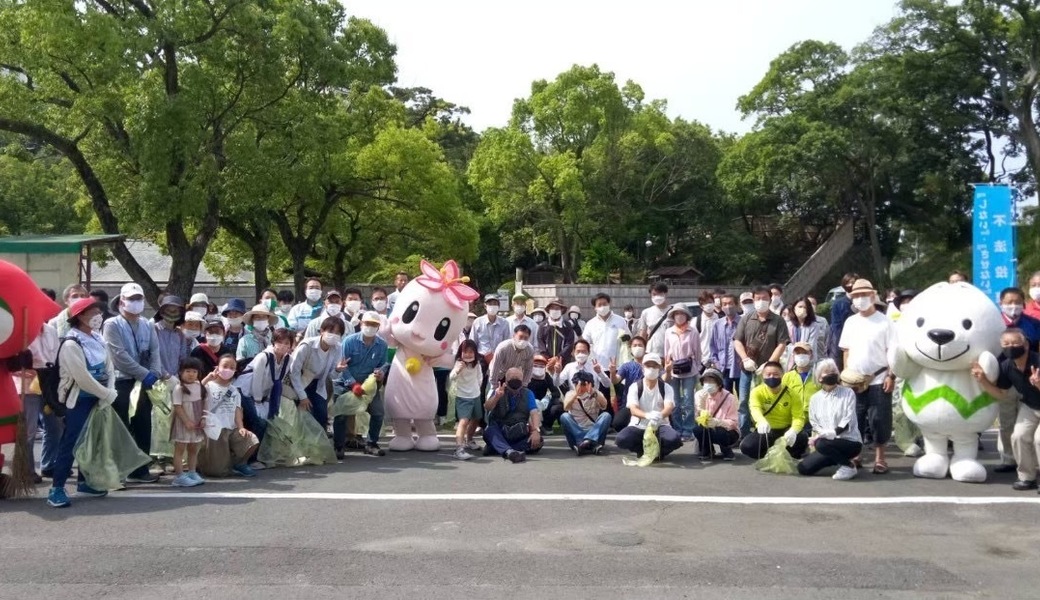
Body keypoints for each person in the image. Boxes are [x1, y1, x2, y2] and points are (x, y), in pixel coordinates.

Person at [47, 298, 118, 508]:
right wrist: (106, 393)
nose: (99, 316)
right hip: (77, 401)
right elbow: (82, 377)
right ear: (79, 317)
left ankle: (85, 481)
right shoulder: (71, 343)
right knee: (71, 443)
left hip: (98, 398)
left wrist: (109, 390)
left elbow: (109, 367)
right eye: (93, 312)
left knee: (93, 442)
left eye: (99, 311)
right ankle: (56, 488)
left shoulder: (97, 338)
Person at [102, 282, 163, 484]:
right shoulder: (112, 325)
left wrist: (153, 372)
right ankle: (119, 470)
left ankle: (140, 469)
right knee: (122, 427)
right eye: (131, 299)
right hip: (122, 382)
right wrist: (144, 373)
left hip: (144, 383)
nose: (136, 303)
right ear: (122, 301)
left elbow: (155, 351)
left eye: (139, 299)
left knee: (144, 424)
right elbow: (118, 355)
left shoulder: (148, 324)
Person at [839, 278, 896, 474]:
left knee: (880, 419)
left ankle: (881, 458)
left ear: (873, 296)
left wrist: (891, 376)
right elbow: (845, 350)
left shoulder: (885, 321)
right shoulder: (851, 322)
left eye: (863, 295)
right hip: (854, 379)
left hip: (878, 377)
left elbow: (892, 352)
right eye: (855, 296)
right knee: (855, 418)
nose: (860, 299)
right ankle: (856, 455)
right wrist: (845, 374)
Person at [972, 328, 1040, 490]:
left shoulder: (1037, 362)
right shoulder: (1006, 366)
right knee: (1018, 436)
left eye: (1016, 343)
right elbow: (1001, 394)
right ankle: (1027, 477)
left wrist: (1038, 384)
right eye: (1006, 344)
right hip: (1030, 406)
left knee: (1039, 440)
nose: (1011, 346)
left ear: (1026, 344)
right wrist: (983, 380)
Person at [732, 286, 791, 437]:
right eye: (757, 299)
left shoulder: (778, 320)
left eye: (764, 298)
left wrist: (770, 363)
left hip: (769, 371)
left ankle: (770, 432)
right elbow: (737, 341)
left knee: (769, 400)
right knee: (744, 401)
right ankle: (744, 434)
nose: (761, 301)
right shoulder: (746, 318)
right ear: (753, 300)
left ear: (770, 299)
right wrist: (745, 359)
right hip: (748, 368)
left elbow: (782, 343)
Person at [334, 312, 388, 458]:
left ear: (378, 327)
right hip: (345, 384)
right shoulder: (349, 341)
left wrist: (380, 373)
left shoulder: (382, 345)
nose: (370, 327)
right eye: (367, 324)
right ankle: (338, 446)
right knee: (340, 414)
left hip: (368, 386)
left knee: (378, 413)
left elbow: (383, 365)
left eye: (374, 325)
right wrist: (352, 384)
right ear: (361, 324)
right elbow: (343, 366)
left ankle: (371, 443)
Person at [798, 360, 862, 480]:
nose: (831, 374)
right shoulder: (815, 398)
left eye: (833, 371)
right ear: (819, 378)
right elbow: (814, 421)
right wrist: (822, 433)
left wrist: (833, 433)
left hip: (849, 441)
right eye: (826, 372)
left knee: (821, 444)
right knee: (804, 468)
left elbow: (848, 420)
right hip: (826, 444)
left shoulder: (848, 393)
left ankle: (849, 466)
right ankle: (837, 459)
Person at [200, 355, 260, 477]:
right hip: (214, 430)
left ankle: (240, 463)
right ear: (217, 367)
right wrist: (207, 378)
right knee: (217, 472)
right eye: (225, 366)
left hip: (230, 428)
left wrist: (241, 427)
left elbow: (237, 410)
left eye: (232, 367)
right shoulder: (208, 386)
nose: (228, 369)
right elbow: (195, 392)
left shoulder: (234, 390)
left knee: (252, 440)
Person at [16, 321, 60, 482]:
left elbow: (55, 357)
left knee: (55, 426)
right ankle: (26, 470)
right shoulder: (20, 330)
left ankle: (48, 464)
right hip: (27, 386)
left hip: (48, 383)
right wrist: (18, 369)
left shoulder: (50, 330)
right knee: (29, 430)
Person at [615, 353, 682, 460]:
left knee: (674, 439)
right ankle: (641, 450)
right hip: (639, 426)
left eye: (654, 366)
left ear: (660, 368)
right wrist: (647, 415)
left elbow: (669, 407)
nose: (651, 368)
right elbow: (633, 410)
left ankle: (659, 452)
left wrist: (660, 415)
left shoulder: (666, 387)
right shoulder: (635, 387)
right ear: (642, 368)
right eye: (648, 365)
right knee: (621, 439)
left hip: (661, 425)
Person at [286, 317, 347, 433]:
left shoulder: (337, 348)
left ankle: (317, 447)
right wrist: (302, 396)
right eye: (330, 331)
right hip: (299, 382)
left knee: (321, 415)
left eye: (338, 333)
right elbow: (293, 372)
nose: (333, 335)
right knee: (301, 416)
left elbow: (333, 376)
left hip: (318, 384)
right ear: (322, 331)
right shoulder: (306, 346)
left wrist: (338, 370)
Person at [739, 361, 809, 460]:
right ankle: (769, 456)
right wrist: (761, 421)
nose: (772, 377)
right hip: (767, 429)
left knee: (802, 438)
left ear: (782, 375)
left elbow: (798, 417)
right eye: (768, 374)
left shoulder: (792, 394)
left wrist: (793, 430)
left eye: (776, 374)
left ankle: (790, 455)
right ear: (763, 376)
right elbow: (755, 409)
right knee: (747, 446)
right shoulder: (757, 392)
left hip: (786, 430)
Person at [241, 327, 293, 443]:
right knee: (259, 422)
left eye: (287, 343)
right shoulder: (263, 357)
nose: (283, 345)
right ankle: (254, 455)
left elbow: (278, 381)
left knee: (270, 421)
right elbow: (257, 381)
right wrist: (258, 402)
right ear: (274, 342)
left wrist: (268, 401)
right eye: (279, 342)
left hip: (264, 395)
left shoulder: (288, 360)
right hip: (246, 392)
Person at [482, 367, 543, 463]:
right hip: (500, 430)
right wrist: (496, 397)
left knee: (538, 441)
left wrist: (535, 430)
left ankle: (497, 447)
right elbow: (487, 407)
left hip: (518, 432)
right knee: (489, 431)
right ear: (506, 380)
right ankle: (509, 452)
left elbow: (534, 413)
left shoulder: (528, 393)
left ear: (522, 380)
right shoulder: (499, 391)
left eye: (517, 377)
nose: (515, 379)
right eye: (512, 377)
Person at [663, 303, 701, 440]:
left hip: (689, 369)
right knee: (675, 401)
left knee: (688, 401)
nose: (679, 316)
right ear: (673, 316)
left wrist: (697, 368)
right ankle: (677, 428)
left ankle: (688, 429)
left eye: (682, 313)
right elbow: (666, 351)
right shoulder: (669, 331)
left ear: (686, 315)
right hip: (673, 369)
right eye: (676, 314)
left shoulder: (693, 331)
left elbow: (697, 352)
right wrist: (667, 366)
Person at [170, 358, 206, 487]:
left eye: (194, 371)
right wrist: (186, 421)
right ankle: (179, 476)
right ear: (181, 372)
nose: (191, 374)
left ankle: (192, 471)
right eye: (188, 371)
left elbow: (204, 404)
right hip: (183, 423)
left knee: (193, 448)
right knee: (180, 448)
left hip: (196, 422)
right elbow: (177, 407)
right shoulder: (179, 388)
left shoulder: (199, 386)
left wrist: (203, 418)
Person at [690, 368, 739, 461]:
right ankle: (706, 449)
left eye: (711, 381)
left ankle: (726, 449)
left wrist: (718, 422)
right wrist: (702, 413)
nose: (708, 384)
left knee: (720, 432)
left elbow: (733, 423)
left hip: (727, 431)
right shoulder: (700, 395)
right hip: (707, 427)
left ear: (719, 384)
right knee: (698, 429)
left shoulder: (729, 397)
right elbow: (698, 414)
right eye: (706, 381)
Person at [450, 339, 486, 460]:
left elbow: (480, 378)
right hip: (462, 397)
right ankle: (459, 448)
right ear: (461, 352)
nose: (468, 354)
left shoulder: (477, 365)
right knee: (463, 421)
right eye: (465, 352)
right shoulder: (458, 364)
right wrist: (459, 369)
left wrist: (477, 390)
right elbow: (452, 377)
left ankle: (469, 440)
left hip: (475, 395)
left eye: (471, 352)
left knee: (476, 419)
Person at [560, 370, 612, 455]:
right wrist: (576, 395)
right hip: (576, 432)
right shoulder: (570, 394)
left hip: (594, 431)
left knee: (606, 415)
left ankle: (588, 441)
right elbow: (566, 407)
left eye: (583, 385)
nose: (580, 387)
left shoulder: (596, 394)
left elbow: (604, 405)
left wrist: (593, 393)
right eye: (577, 384)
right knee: (564, 416)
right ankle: (585, 441)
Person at [583, 292, 631, 369]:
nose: (603, 307)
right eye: (599, 305)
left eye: (605, 304)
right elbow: (584, 343)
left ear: (609, 304)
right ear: (595, 308)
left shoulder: (620, 321)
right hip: (598, 367)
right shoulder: (590, 324)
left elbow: (628, 340)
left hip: (617, 367)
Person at [783, 342, 820, 435]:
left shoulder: (819, 375)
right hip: (793, 419)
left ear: (811, 355)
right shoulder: (787, 376)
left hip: (814, 420)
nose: (801, 356)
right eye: (798, 353)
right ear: (793, 355)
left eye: (804, 353)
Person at [611, 335, 646, 431]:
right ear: (630, 349)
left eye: (640, 345)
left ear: (645, 348)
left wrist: (668, 372)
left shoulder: (651, 364)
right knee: (618, 424)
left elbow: (664, 377)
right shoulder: (626, 366)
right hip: (630, 404)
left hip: (648, 403)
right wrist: (612, 372)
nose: (637, 347)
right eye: (634, 345)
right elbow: (616, 380)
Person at [709, 293, 741, 394]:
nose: (728, 306)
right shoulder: (717, 324)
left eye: (730, 303)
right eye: (725, 304)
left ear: (736, 305)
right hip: (723, 367)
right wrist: (716, 362)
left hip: (741, 367)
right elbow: (713, 346)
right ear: (721, 307)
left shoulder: (744, 322)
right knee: (726, 396)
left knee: (744, 396)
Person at [153, 295, 190, 381]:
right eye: (168, 310)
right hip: (157, 380)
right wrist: (166, 375)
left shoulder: (180, 335)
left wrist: (179, 376)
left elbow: (183, 358)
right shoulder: (154, 330)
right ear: (161, 312)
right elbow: (151, 357)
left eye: (176, 310)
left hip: (176, 380)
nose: (172, 312)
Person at [828, 273, 859, 369]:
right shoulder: (838, 304)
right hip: (844, 343)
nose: (851, 285)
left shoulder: (863, 302)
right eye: (848, 283)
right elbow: (836, 326)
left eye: (853, 283)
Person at [470, 293, 510, 364]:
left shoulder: (504, 323)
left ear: (498, 306)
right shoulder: (478, 322)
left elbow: (506, 344)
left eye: (495, 304)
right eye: (490, 304)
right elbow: (473, 343)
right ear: (485, 306)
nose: (492, 306)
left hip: (499, 359)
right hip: (481, 358)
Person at [528, 353, 562, 435]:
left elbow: (556, 392)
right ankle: (530, 427)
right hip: (529, 405)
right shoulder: (527, 375)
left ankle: (546, 426)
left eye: (541, 365)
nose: (538, 368)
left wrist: (547, 397)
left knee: (558, 405)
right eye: (536, 365)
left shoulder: (546, 376)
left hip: (544, 406)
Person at [999, 287, 1040, 352]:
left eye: (1018, 302)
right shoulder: (994, 323)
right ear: (1001, 304)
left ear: (1023, 304)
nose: (1013, 305)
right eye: (1009, 302)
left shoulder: (1035, 324)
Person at [636, 283, 671, 355]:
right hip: (651, 352)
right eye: (654, 294)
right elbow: (642, 333)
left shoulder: (674, 312)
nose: (657, 297)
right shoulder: (646, 312)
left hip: (670, 352)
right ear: (650, 295)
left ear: (665, 294)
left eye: (660, 294)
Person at [789, 297, 824, 365]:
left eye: (805, 307)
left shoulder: (814, 326)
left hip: (807, 360)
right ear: (794, 308)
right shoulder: (789, 325)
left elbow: (811, 345)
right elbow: (787, 344)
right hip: (792, 360)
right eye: (800, 306)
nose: (802, 309)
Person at [540, 298, 575, 363]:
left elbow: (569, 344)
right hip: (546, 362)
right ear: (549, 310)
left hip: (563, 361)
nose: (555, 310)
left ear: (562, 310)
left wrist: (558, 357)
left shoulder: (567, 325)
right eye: (552, 308)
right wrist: (546, 357)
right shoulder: (543, 326)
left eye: (557, 308)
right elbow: (540, 342)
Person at [693, 291, 718, 369]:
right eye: (705, 303)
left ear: (714, 303)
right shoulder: (695, 321)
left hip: (719, 361)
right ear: (701, 306)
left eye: (710, 302)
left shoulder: (721, 319)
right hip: (702, 362)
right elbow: (693, 343)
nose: (709, 305)